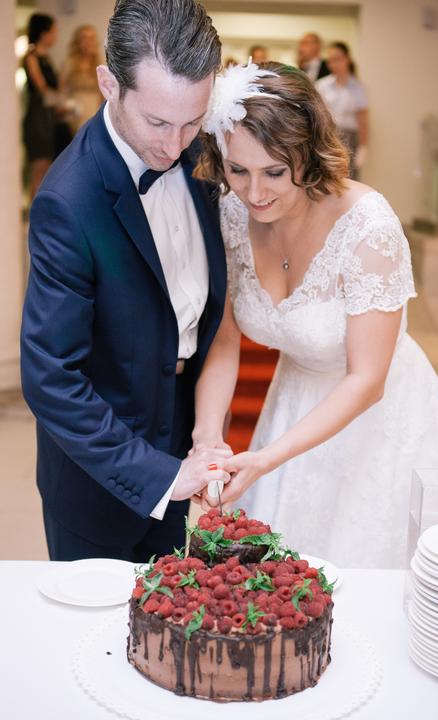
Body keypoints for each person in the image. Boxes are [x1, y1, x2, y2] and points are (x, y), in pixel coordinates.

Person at [191, 61, 438, 569]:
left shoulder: (367, 226)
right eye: (238, 170)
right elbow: (225, 340)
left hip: (378, 419)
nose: (255, 193)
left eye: (275, 172)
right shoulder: (232, 211)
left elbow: (366, 380)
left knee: (365, 572)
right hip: (292, 404)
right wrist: (207, 438)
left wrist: (267, 459)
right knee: (284, 577)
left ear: (310, 153)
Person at [21, 0, 230, 562]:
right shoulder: (69, 200)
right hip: (98, 486)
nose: (175, 145)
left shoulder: (201, 151)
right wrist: (159, 476)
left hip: (182, 446)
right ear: (108, 84)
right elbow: (51, 377)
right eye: (157, 122)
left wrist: (201, 435)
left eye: (192, 121)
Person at [316, 42, 368, 180]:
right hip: (328, 137)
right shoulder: (322, 85)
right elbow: (318, 115)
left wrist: (363, 147)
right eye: (331, 60)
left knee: (349, 179)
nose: (334, 64)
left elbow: (363, 119)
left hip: (350, 139)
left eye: (337, 59)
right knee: (328, 179)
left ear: (347, 59)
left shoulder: (357, 87)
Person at [22, 13, 59, 198]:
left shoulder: (47, 58)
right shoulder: (31, 57)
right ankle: (33, 212)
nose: (56, 35)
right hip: (37, 117)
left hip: (47, 116)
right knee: (39, 167)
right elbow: (42, 88)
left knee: (47, 169)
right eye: (53, 31)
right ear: (44, 33)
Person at [59, 24, 103, 134]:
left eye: (92, 38)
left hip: (94, 112)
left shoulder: (100, 64)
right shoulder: (69, 63)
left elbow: (103, 94)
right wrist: (66, 105)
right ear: (78, 42)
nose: (89, 42)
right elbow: (62, 90)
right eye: (85, 38)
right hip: (75, 114)